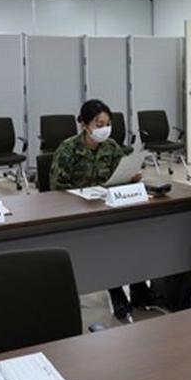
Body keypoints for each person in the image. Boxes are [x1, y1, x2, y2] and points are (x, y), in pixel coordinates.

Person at [50, 99, 149, 320]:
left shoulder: (111, 147)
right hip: (77, 212)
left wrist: (131, 178)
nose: (104, 129)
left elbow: (119, 176)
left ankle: (139, 287)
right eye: (99, 124)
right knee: (108, 241)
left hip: (108, 208)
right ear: (84, 124)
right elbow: (56, 190)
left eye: (107, 124)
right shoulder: (68, 149)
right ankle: (115, 291)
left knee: (135, 235)